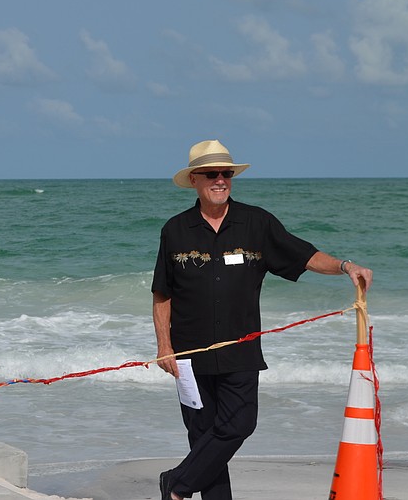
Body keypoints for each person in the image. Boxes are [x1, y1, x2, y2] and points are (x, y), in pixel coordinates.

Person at [151, 139, 372, 500]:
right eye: (211, 174)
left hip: (242, 349)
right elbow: (162, 292)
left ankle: (176, 483)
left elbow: (304, 255)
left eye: (226, 173)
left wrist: (346, 267)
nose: (220, 180)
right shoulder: (174, 230)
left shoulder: (257, 222)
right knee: (205, 438)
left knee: (238, 426)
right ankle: (183, 486)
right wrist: (164, 345)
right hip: (190, 354)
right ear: (195, 179)